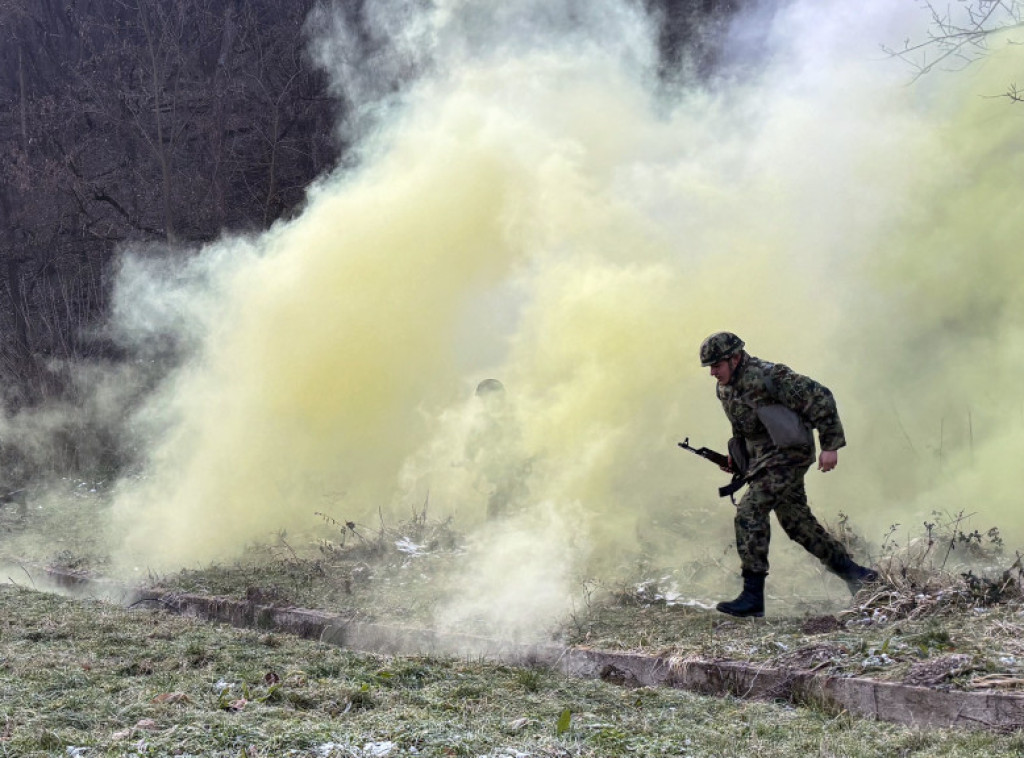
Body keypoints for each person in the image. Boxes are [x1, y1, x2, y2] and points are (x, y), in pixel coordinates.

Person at [699, 331, 877, 618]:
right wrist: (738, 456)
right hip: (766, 459)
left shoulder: (771, 376)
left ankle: (752, 597)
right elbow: (744, 427)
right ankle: (858, 576)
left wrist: (830, 446)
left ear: (735, 358)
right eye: (710, 367)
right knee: (798, 525)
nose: (712, 373)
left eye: (716, 365)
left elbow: (820, 397)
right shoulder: (725, 388)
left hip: (790, 454)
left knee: (750, 510)